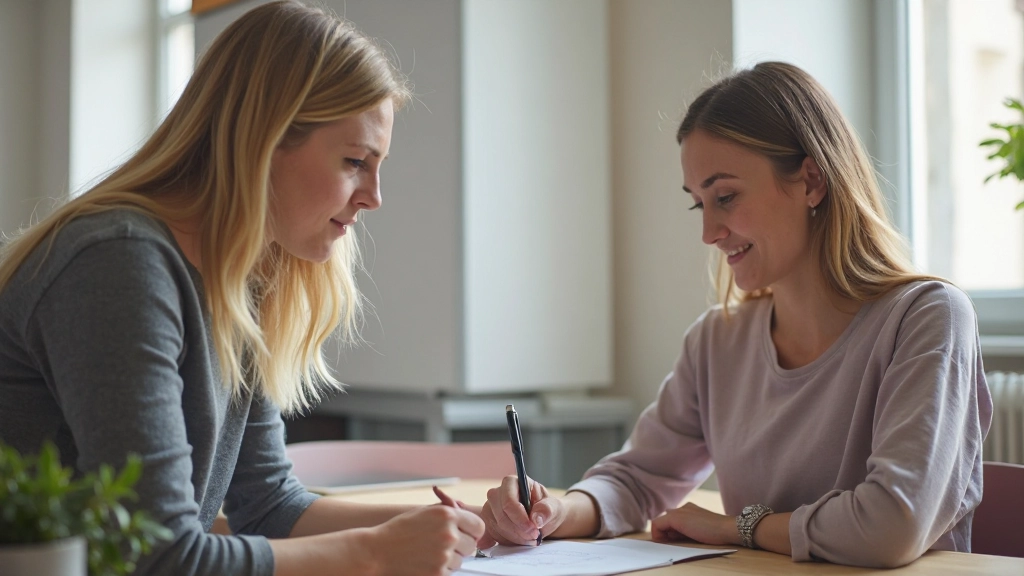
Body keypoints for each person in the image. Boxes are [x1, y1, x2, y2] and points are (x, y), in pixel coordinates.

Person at [0, 2, 484, 575]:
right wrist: (376, 553)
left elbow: (271, 505)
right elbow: (157, 558)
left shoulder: (239, 277)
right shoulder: (116, 264)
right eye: (355, 161)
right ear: (264, 141)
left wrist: (468, 525)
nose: (374, 196)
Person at [479, 61, 992, 569]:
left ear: (811, 180)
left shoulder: (926, 318)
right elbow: (635, 481)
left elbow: (890, 525)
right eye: (698, 204)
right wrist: (553, 511)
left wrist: (736, 526)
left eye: (725, 196)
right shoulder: (716, 341)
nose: (708, 232)